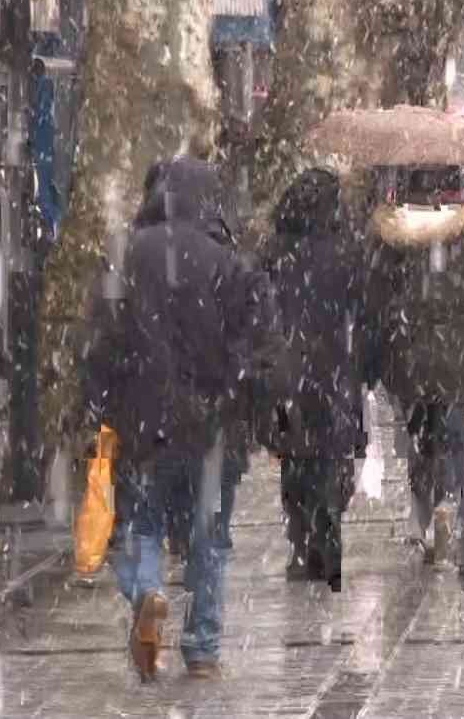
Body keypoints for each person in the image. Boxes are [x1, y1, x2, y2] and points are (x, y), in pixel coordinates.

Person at [83, 156, 278, 681]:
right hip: (213, 426)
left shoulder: (126, 256)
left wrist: (97, 409)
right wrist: (244, 405)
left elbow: (99, 343)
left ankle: (147, 590)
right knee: (208, 536)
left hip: (142, 422)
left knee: (138, 524)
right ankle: (202, 649)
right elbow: (260, 345)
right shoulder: (229, 262)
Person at [368, 164, 464, 565]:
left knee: (421, 439)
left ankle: (423, 510)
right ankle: (452, 502)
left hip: (410, 357)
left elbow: (375, 296)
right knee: (460, 435)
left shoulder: (393, 240)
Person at [260, 168, 368, 591]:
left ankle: (303, 540)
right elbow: (363, 308)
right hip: (334, 370)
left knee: (294, 457)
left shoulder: (274, 250)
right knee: (333, 453)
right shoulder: (347, 250)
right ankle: (327, 526)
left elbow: (260, 307)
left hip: (288, 373)